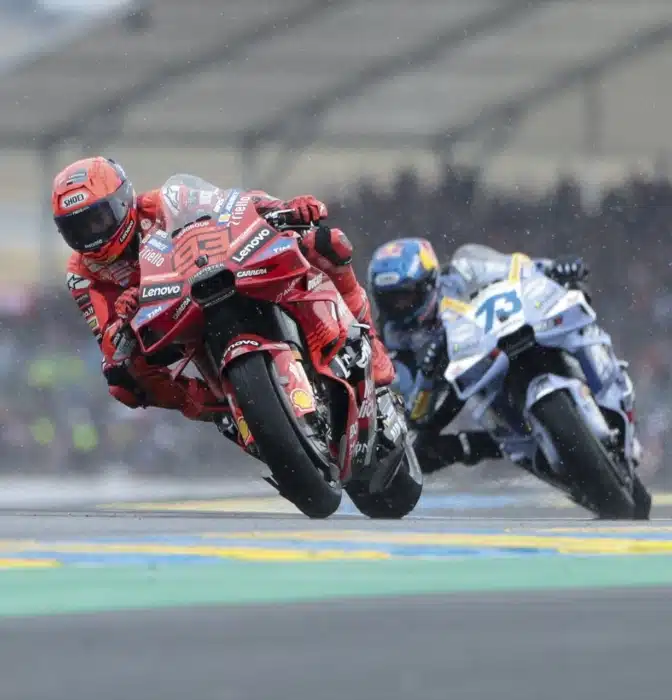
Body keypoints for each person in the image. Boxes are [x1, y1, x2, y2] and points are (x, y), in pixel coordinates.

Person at [52, 156, 395, 443]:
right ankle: (218, 408)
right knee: (122, 382)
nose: (92, 235)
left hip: (215, 274)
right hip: (165, 320)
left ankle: (369, 341)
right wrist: (122, 323)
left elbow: (233, 204)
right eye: (77, 229)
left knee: (328, 243)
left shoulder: (162, 203)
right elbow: (108, 342)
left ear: (123, 201)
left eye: (98, 219)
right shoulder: (81, 273)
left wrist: (284, 208)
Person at [367, 237, 590, 474]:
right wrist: (428, 375)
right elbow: (415, 414)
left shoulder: (462, 273)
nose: (399, 306)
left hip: (509, 336)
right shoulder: (391, 344)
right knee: (414, 452)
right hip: (477, 387)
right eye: (390, 299)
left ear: (429, 283)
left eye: (406, 296)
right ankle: (504, 446)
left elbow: (517, 268)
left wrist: (553, 268)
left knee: (574, 314)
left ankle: (603, 379)